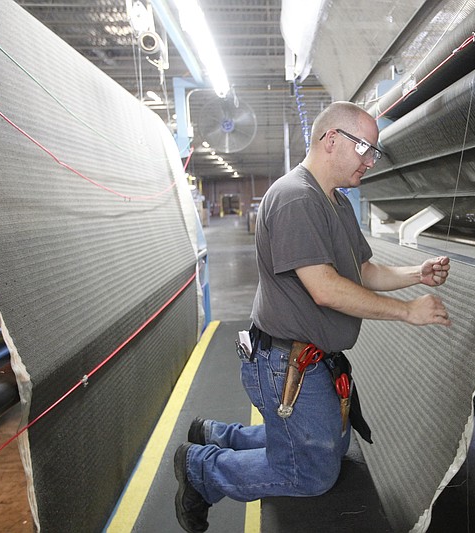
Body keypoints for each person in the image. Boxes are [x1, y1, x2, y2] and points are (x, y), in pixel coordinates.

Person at [173, 101, 452, 532]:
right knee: (311, 474)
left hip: (312, 360)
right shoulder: (294, 199)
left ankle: (215, 434)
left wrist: (417, 274)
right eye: (365, 148)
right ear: (331, 139)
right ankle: (202, 469)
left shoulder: (335, 203)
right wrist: (406, 312)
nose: (370, 161)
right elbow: (325, 288)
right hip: (285, 364)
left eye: (374, 151)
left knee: (326, 448)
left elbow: (362, 272)